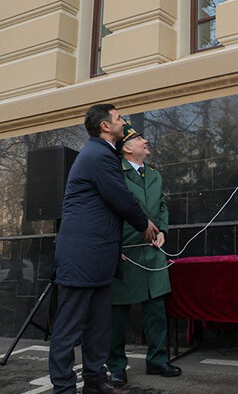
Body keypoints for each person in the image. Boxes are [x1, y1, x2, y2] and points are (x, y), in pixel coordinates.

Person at [49, 104, 158, 394]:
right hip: (81, 256)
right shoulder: (98, 154)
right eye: (119, 118)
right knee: (68, 328)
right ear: (105, 127)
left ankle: (95, 381)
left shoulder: (102, 154)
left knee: (98, 326)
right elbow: (120, 197)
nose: (124, 122)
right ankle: (63, 387)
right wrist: (144, 223)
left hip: (99, 256)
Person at [107, 122, 181, 387]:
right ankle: (115, 365)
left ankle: (157, 359)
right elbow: (110, 211)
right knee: (118, 314)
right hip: (127, 251)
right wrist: (115, 246)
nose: (146, 141)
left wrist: (162, 230)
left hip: (153, 252)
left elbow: (161, 206)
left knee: (156, 310)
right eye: (139, 139)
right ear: (126, 147)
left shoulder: (154, 174)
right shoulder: (116, 173)